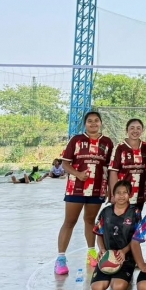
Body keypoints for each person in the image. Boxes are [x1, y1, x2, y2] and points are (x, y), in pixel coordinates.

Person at [55, 111, 114, 274]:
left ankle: (91, 253)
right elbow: (65, 164)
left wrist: (109, 188)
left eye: (96, 120)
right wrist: (78, 174)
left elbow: (109, 167)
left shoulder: (107, 142)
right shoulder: (76, 140)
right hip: (76, 188)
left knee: (90, 220)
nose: (93, 123)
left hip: (97, 188)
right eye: (89, 121)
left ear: (101, 123)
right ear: (85, 124)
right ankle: (60, 258)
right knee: (70, 221)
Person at [91, 180, 141, 290]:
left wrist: (124, 251)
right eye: (118, 192)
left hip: (125, 257)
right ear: (113, 195)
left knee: (117, 288)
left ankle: (126, 276)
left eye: (125, 192)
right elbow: (99, 234)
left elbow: (137, 238)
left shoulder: (135, 212)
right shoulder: (106, 211)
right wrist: (102, 249)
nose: (121, 195)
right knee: (97, 289)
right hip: (107, 255)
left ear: (130, 195)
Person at [108, 118, 146, 212]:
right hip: (122, 195)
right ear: (126, 130)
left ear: (142, 130)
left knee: (136, 218)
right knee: (121, 219)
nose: (135, 131)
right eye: (132, 128)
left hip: (139, 194)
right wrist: (114, 194)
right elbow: (113, 172)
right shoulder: (119, 148)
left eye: (138, 128)